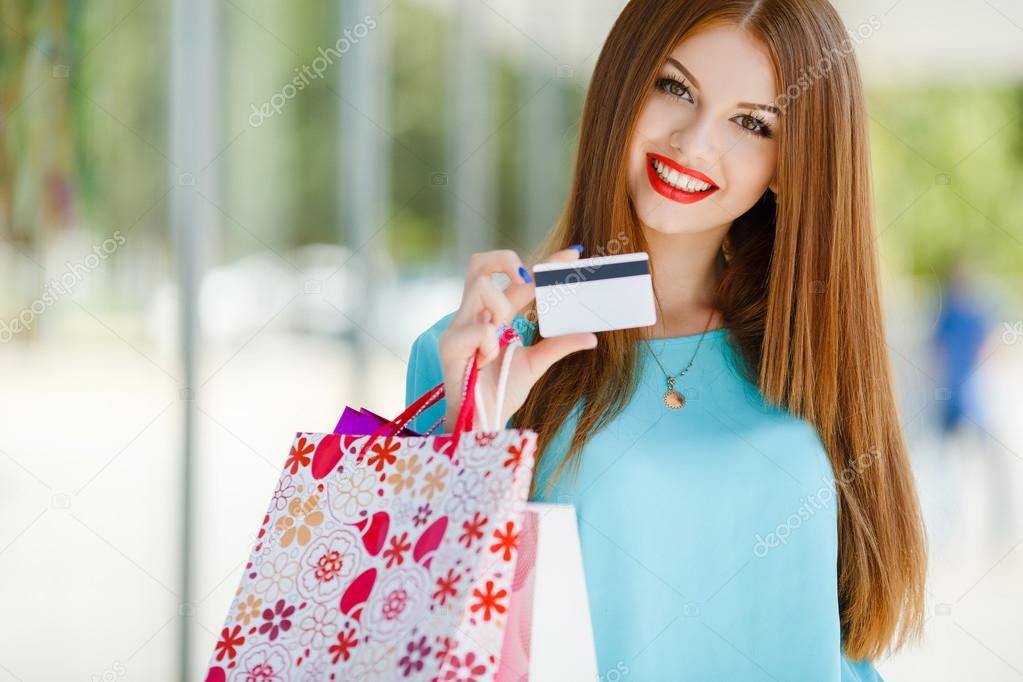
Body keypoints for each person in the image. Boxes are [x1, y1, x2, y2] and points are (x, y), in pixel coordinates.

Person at [405, 1, 927, 679]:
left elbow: (841, 638)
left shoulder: (808, 350)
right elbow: (423, 634)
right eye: (673, 88)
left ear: (794, 161)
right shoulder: (476, 358)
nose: (693, 141)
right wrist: (475, 428)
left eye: (750, 122)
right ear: (621, 85)